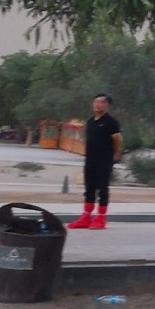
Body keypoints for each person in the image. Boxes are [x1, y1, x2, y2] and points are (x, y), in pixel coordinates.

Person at [67, 93, 123, 230]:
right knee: (89, 188)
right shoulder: (91, 121)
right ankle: (86, 216)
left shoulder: (111, 122)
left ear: (107, 105)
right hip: (90, 159)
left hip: (104, 159)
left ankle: (100, 218)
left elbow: (117, 139)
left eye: (101, 102)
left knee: (102, 188)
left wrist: (115, 154)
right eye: (95, 102)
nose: (97, 104)